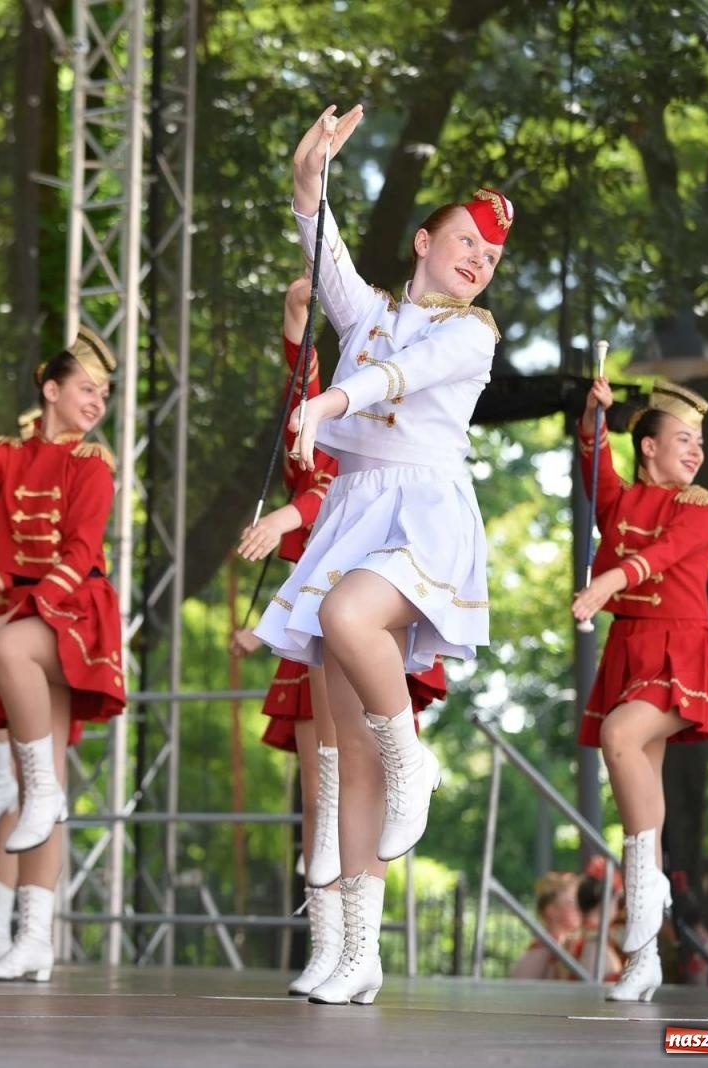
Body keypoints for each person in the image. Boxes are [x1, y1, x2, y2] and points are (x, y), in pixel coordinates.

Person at [254, 103, 509, 1006]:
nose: (479, 260)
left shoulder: (473, 333)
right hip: (352, 514)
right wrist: (308, 173)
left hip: (423, 513)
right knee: (337, 749)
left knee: (345, 616)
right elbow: (319, 247)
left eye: (490, 255)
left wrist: (329, 404)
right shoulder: (365, 309)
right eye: (466, 242)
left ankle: (417, 760)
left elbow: (399, 378)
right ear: (423, 242)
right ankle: (353, 952)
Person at [232, 277, 451, 996]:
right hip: (320, 606)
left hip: (380, 594)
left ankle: (357, 947)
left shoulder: (414, 393)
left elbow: (321, 488)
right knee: (326, 783)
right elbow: (308, 417)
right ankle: (337, 950)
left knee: (362, 767)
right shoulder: (340, 403)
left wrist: (289, 520)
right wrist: (298, 316)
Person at [0, 325, 126, 983]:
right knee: (39, 790)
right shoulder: (15, 456)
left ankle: (26, 781)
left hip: (78, 611)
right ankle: (33, 940)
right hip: (39, 619)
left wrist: (22, 613)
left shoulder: (92, 462)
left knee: (2, 645)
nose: (97, 402)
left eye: (104, 395)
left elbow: (82, 551)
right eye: (87, 389)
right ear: (51, 390)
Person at [572, 378, 708, 1002]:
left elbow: (668, 553)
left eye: (699, 442)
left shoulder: (702, 506)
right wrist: (594, 414)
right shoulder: (620, 502)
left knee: (621, 736)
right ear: (647, 447)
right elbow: (595, 462)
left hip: (679, 649)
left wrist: (607, 581)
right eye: (683, 440)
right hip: (631, 648)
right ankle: (642, 960)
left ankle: (653, 887)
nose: (695, 452)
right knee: (633, 784)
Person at [511, 872, 583, 980]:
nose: (579, 908)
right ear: (551, 910)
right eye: (571, 902)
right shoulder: (541, 950)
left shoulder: (571, 945)